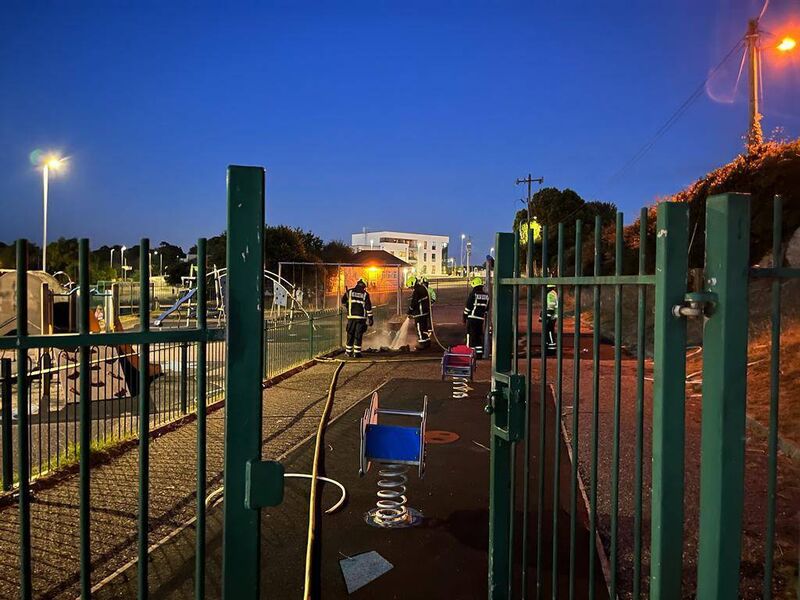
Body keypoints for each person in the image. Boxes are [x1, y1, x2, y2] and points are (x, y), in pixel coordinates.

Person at [341, 278, 373, 357]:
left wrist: (347, 306)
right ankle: (357, 353)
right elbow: (368, 307)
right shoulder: (365, 294)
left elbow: (343, 301)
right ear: (364, 285)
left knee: (350, 334)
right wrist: (370, 318)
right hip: (361, 318)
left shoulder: (350, 292)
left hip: (351, 317)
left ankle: (348, 352)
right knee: (358, 335)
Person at [463, 276, 489, 358]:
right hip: (480, 319)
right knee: (478, 336)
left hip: (472, 318)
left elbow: (468, 307)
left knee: (470, 336)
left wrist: (464, 316)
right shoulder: (486, 296)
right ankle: (479, 354)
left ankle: (468, 353)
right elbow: (486, 309)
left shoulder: (473, 294)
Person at [407, 275, 432, 349]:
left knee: (419, 328)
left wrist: (409, 311)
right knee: (424, 328)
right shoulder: (423, 288)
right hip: (425, 312)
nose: (411, 289)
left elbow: (414, 302)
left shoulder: (417, 291)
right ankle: (427, 342)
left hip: (419, 313)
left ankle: (422, 344)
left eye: (411, 287)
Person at [542, 285, 558, 355]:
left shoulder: (550, 294)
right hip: (551, 316)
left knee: (549, 331)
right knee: (548, 331)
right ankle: (548, 347)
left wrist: (547, 316)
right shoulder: (552, 293)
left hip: (551, 316)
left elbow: (550, 306)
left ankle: (551, 349)